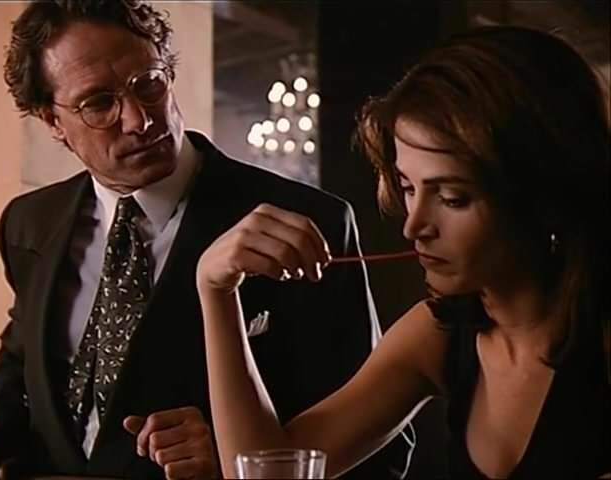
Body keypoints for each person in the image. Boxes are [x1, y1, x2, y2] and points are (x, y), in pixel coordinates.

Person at [0, 1, 413, 479]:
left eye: (148, 84)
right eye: (98, 103)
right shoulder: (28, 223)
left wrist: (236, 461)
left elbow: (382, 449)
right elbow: (21, 368)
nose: (139, 120)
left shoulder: (307, 219)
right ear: (51, 121)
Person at [196, 26, 611, 479]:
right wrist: (215, 290)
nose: (413, 226)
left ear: (544, 194)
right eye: (408, 187)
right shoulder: (439, 333)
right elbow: (269, 472)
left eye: (452, 197)